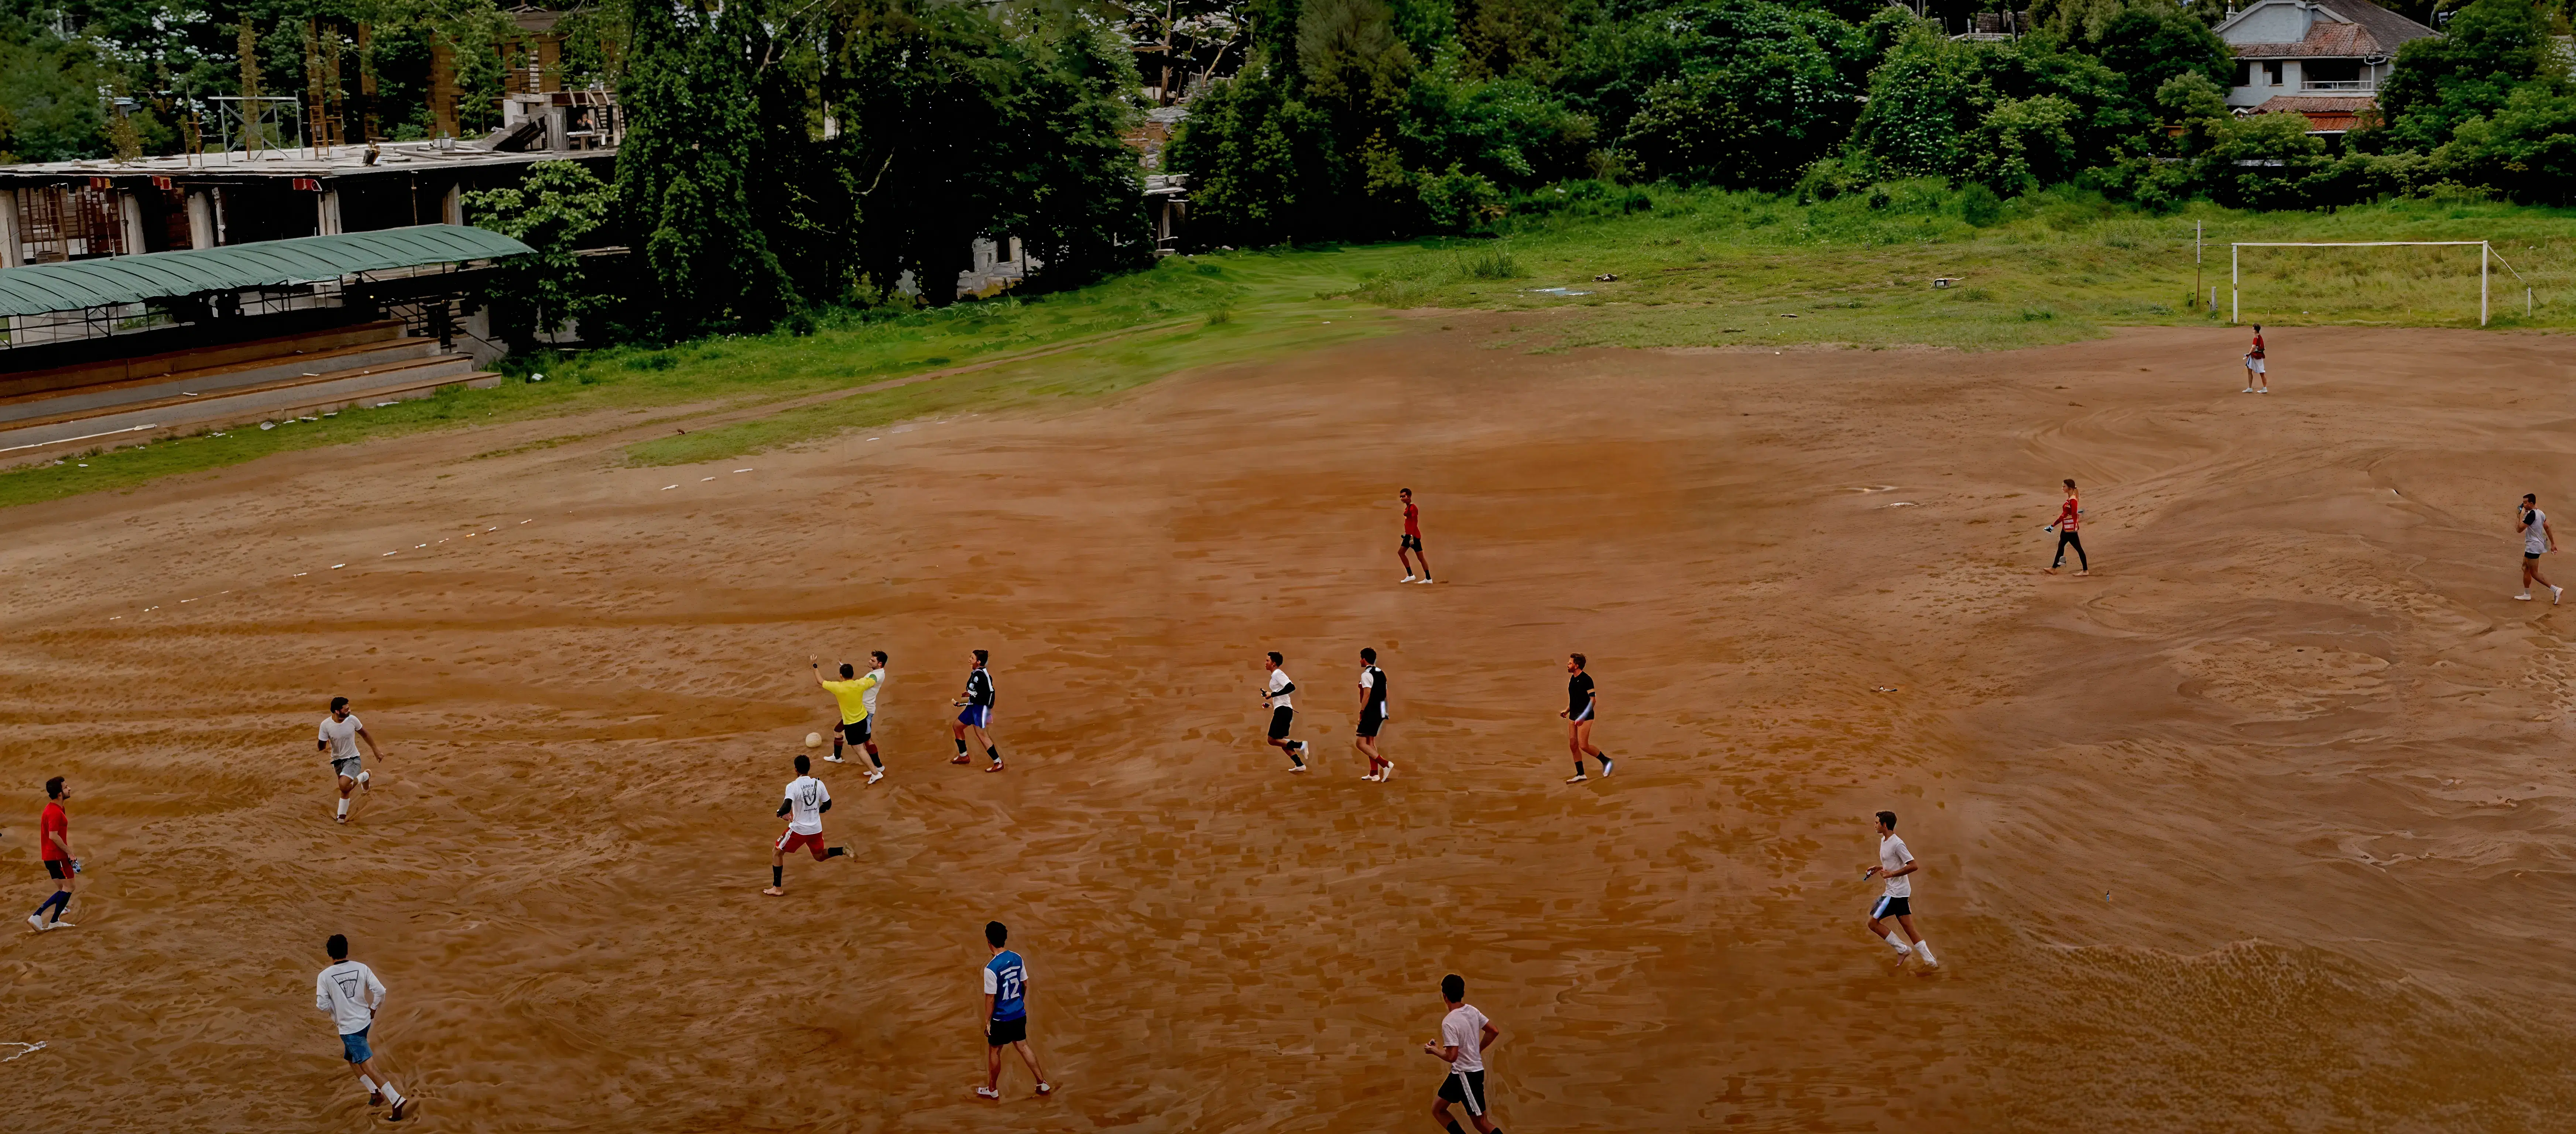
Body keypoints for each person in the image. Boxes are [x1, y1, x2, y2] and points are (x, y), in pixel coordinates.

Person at [316, 933, 410, 1121]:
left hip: (349, 1029)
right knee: (352, 1059)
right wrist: (373, 1009)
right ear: (347, 950)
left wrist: (337, 1011)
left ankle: (395, 1099)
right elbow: (381, 991)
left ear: (329, 954)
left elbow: (321, 1005)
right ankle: (375, 1093)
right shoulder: (362, 968)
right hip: (365, 1022)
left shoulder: (324, 976)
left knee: (369, 1066)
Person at [978, 920, 1052, 1099]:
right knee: (1023, 1046)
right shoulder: (1017, 958)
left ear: (988, 941)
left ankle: (992, 1089)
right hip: (1019, 1014)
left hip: (1001, 1019)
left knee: (995, 1050)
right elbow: (1025, 984)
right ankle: (1042, 1083)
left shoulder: (991, 969)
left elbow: (990, 998)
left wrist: (988, 1022)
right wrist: (1018, 1002)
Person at [1424, 973, 1505, 1134]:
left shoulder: (1449, 1021)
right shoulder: (1472, 1011)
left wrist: (1433, 1050)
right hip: (1459, 1075)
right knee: (1438, 1110)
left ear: (1445, 996)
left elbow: (1452, 1056)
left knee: (1482, 1123)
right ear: (1462, 993)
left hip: (1467, 1076)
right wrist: (1477, 1050)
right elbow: (1493, 1031)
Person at [764, 754, 849, 897]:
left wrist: (779, 814)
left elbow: (786, 807)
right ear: (809, 769)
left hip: (799, 830)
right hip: (816, 829)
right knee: (819, 856)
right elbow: (828, 805)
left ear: (796, 770)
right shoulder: (819, 784)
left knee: (777, 852)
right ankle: (843, 850)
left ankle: (777, 888)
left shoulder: (793, 786)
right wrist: (818, 810)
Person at [1863, 811, 1938, 969]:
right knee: (1909, 929)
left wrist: (1891, 874)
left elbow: (1913, 866)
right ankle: (1931, 962)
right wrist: (1879, 868)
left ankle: (1902, 949)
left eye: (1877, 823)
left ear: (1885, 825)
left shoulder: (1898, 844)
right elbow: (1893, 863)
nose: (1875, 825)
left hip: (1894, 894)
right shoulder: (1885, 840)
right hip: (1901, 893)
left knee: (1873, 923)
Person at [813, 654, 886, 784]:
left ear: (841, 676)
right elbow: (868, 681)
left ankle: (876, 772)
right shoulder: (861, 683)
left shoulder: (839, 687)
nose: (870, 661)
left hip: (854, 722)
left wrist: (815, 666)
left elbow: (820, 681)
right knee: (842, 733)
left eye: (873, 660)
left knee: (860, 748)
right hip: (863, 717)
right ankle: (838, 757)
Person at [318, 696, 386, 825]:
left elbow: (365, 734)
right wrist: (324, 749)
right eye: (346, 709)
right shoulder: (326, 725)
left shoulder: (353, 720)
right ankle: (365, 776)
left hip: (353, 759)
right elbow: (321, 745)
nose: (350, 711)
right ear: (337, 711)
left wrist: (376, 751)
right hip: (337, 762)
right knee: (345, 789)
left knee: (343, 785)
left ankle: (341, 818)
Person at [27, 777, 74, 932]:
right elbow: (53, 836)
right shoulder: (54, 812)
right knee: (70, 887)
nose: (69, 789)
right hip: (57, 856)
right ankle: (42, 917)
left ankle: (55, 915)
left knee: (63, 890)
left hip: (50, 856)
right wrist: (70, 853)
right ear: (60, 794)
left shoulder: (55, 808)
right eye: (66, 788)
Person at [951, 650, 1005, 773]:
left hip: (980, 709)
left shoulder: (978, 676)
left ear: (978, 662)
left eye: (972, 658)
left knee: (982, 735)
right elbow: (983, 690)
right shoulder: (981, 673)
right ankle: (964, 756)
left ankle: (998, 762)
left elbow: (983, 694)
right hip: (974, 706)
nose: (970, 659)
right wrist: (970, 695)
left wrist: (964, 702)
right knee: (957, 727)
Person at [1560, 654, 1609, 784]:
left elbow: (1593, 700)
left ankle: (1607, 761)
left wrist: (1583, 717)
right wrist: (1567, 710)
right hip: (1573, 715)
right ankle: (1581, 774)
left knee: (1583, 745)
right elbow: (1575, 700)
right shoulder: (1572, 679)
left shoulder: (1587, 680)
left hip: (1586, 716)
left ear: (1577, 666)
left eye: (1570, 663)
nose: (1568, 665)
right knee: (1573, 745)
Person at [1262, 652, 1311, 773]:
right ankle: (1300, 765)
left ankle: (1301, 745)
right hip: (1283, 709)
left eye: (1268, 661)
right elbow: (1282, 693)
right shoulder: (1275, 676)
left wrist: (1272, 694)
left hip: (1283, 711)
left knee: (1272, 740)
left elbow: (1291, 687)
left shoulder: (1278, 673)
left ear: (1274, 663)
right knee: (1282, 742)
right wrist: (1269, 696)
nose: (1266, 663)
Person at [1356, 648, 1392, 782]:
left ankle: (1385, 764)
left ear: (1364, 659)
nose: (1360, 661)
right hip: (1380, 711)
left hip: (1371, 711)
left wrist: (1362, 711)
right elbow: (1386, 694)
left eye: (1361, 658)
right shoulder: (1381, 673)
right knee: (1370, 741)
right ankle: (1374, 773)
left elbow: (1367, 694)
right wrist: (1385, 711)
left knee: (1360, 743)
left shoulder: (1366, 674)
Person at [2519, 493, 2563, 604]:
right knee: (2526, 568)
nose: (2524, 505)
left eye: (2525, 503)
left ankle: (2555, 589)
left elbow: (2519, 529)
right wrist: (2553, 543)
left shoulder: (2531, 515)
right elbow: (2547, 527)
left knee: (2534, 573)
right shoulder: (2541, 513)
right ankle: (2527, 594)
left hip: (2533, 547)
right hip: (2536, 545)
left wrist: (2519, 516)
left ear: (2532, 503)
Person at [2042, 478, 2088, 577]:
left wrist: (2053, 526)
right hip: (2067, 528)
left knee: (2077, 548)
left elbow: (2071, 515)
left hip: (2070, 530)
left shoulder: (2073, 500)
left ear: (2070, 488)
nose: (2062, 488)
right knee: (2061, 546)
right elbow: (2067, 515)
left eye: (2064, 486)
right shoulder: (2071, 499)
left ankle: (2085, 571)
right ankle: (2054, 568)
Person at [1399, 488, 1433, 584]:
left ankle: (1415, 576)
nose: (1402, 498)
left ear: (1409, 497)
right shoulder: (1408, 507)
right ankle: (1424, 578)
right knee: (1406, 554)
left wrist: (1411, 537)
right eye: (1401, 497)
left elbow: (1415, 522)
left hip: (1413, 537)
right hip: (1410, 536)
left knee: (1417, 557)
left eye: (1404, 496)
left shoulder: (1413, 508)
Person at [2243, 324, 2268, 394]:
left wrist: (2249, 354)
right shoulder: (2260, 337)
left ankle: (2264, 388)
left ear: (2255, 329)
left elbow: (2253, 347)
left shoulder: (2256, 338)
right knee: (2249, 369)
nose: (2252, 329)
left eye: (2253, 328)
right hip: (2258, 356)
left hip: (2257, 357)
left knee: (2262, 372)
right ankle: (2250, 388)